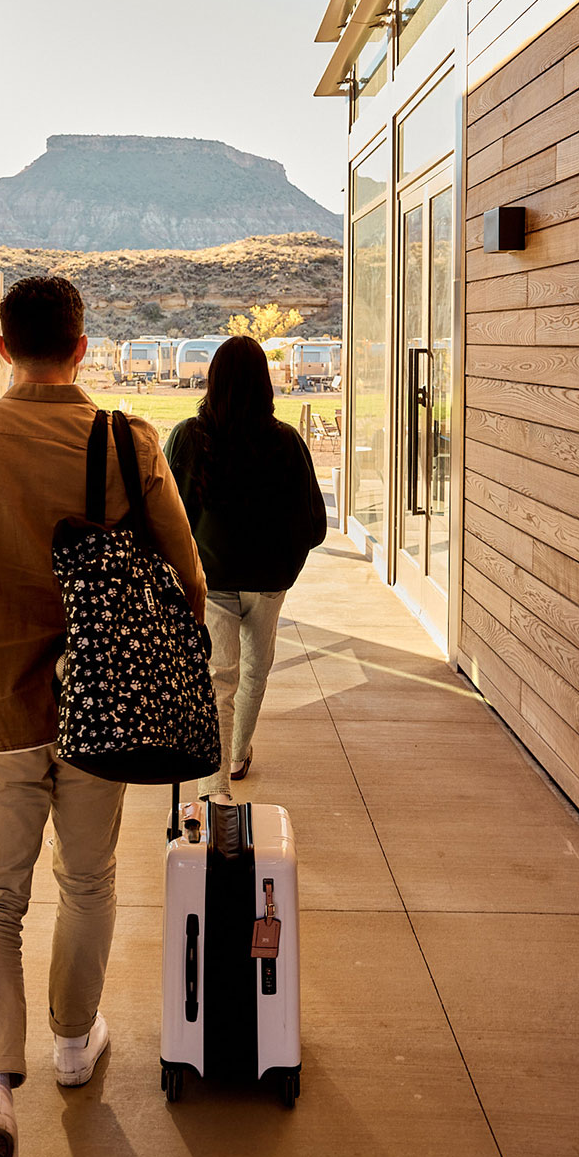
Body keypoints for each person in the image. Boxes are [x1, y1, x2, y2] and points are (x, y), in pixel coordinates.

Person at [0, 276, 206, 1157]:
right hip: (99, 711)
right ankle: (72, 1042)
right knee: (88, 879)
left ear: (0, 345)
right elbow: (187, 574)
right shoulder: (124, 440)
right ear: (80, 346)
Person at [163, 334, 326, 804]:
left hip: (211, 579)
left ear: (212, 381)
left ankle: (213, 787)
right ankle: (236, 756)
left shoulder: (188, 438)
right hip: (269, 581)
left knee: (219, 678)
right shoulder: (286, 442)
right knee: (256, 668)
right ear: (264, 383)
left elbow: (169, 515)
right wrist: (286, 561)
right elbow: (315, 523)